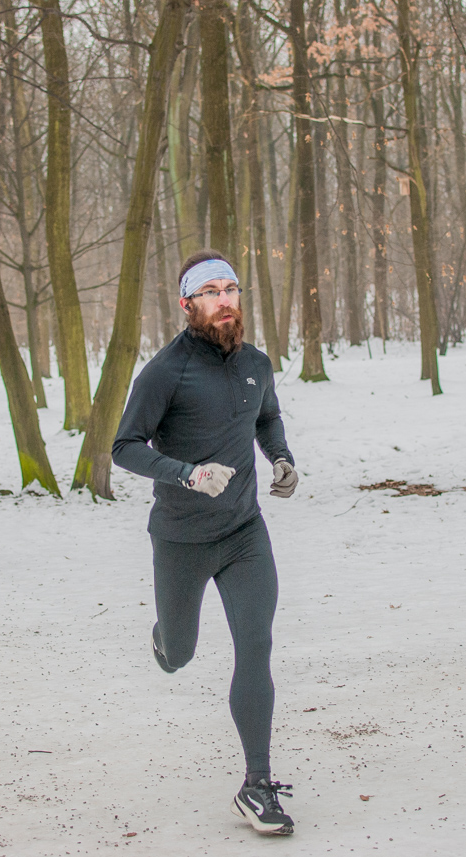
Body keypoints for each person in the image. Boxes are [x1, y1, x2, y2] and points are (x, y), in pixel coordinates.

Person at [112, 249, 301, 836]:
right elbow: (125, 447)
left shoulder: (256, 363)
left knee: (256, 647)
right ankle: (165, 640)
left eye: (232, 289)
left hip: (244, 533)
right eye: (212, 291)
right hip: (181, 541)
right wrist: (187, 473)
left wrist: (281, 458)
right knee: (181, 657)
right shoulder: (165, 372)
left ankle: (257, 784)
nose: (225, 300)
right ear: (188, 303)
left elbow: (266, 418)